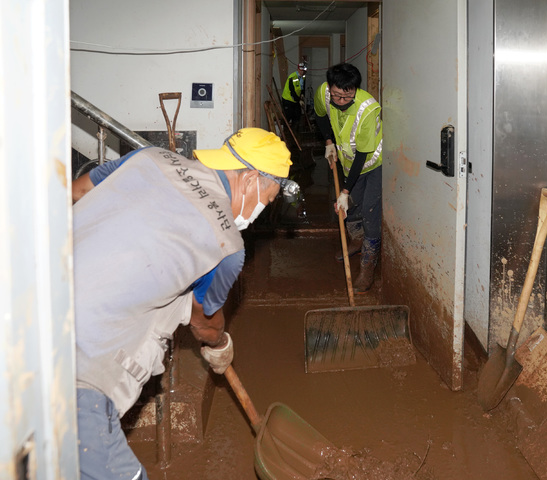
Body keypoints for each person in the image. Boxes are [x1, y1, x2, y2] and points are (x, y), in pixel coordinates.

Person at [72, 128, 295, 479]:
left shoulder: (149, 157)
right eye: (266, 201)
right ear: (251, 179)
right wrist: (220, 345)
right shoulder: (227, 246)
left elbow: (77, 191)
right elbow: (203, 322)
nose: (260, 211)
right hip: (77, 368)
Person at [314, 63, 383, 294]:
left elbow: (363, 153)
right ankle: (356, 240)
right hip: (347, 161)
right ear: (330, 87)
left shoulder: (368, 109)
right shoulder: (324, 92)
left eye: (347, 96)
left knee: (370, 211)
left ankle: (367, 267)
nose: (341, 101)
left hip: (372, 164)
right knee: (351, 207)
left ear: (355, 89)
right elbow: (321, 115)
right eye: (337, 95)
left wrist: (344, 191)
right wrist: (328, 142)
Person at [281, 61, 308, 126]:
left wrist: (302, 94)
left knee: (297, 115)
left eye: (303, 71)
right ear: (298, 69)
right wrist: (299, 100)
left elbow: (302, 87)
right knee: (288, 116)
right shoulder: (292, 77)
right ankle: (285, 131)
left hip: (296, 99)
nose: (302, 72)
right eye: (301, 70)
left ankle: (295, 131)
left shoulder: (303, 77)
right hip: (288, 99)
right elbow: (292, 91)